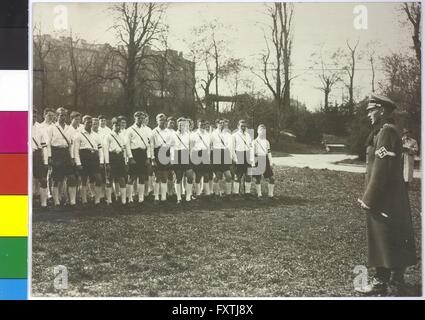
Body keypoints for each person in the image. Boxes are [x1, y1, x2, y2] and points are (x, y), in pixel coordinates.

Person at [356, 94, 417, 295]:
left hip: (384, 198)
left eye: (371, 110)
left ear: (381, 110)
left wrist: (369, 198)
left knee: (383, 236)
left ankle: (382, 282)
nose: (368, 115)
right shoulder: (384, 131)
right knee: (391, 236)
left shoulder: (386, 132)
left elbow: (381, 169)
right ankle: (396, 281)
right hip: (388, 196)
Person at [45, 107, 77, 207]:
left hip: (66, 153)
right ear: (57, 116)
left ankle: (72, 201)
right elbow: (48, 144)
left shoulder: (70, 128)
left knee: (71, 177)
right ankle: (56, 202)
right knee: (56, 178)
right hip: (56, 153)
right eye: (61, 115)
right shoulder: (51, 128)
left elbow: (71, 144)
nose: (63, 117)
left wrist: (72, 157)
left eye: (64, 115)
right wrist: (49, 157)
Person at [74, 115, 105, 206]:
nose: (90, 124)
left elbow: (100, 149)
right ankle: (84, 200)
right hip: (84, 157)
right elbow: (76, 151)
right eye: (88, 122)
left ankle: (97, 200)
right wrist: (78, 163)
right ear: (83, 123)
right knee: (83, 179)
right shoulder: (78, 135)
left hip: (94, 158)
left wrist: (101, 161)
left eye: (91, 122)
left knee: (98, 178)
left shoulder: (96, 135)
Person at [125, 111, 153, 205]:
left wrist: (148, 157)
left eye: (142, 118)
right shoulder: (130, 130)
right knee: (132, 177)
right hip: (134, 153)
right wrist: (130, 157)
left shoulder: (146, 130)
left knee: (142, 176)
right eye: (138, 118)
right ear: (135, 118)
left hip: (143, 154)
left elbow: (148, 145)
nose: (140, 120)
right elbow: (127, 145)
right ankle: (130, 198)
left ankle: (141, 198)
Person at [104, 117, 127, 205]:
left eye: (119, 125)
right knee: (110, 179)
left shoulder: (122, 135)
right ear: (112, 125)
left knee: (122, 179)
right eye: (116, 125)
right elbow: (106, 150)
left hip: (120, 158)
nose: (118, 127)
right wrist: (107, 163)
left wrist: (125, 160)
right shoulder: (108, 136)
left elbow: (124, 149)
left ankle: (123, 200)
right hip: (112, 157)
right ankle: (109, 200)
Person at [170, 117, 193, 204]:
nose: (181, 126)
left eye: (183, 124)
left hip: (186, 155)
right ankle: (179, 198)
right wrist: (172, 159)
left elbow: (191, 147)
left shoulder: (188, 135)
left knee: (190, 177)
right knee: (178, 178)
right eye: (180, 124)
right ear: (177, 125)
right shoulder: (173, 135)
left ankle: (188, 197)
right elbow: (171, 148)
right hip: (176, 156)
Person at [151, 113, 173, 203]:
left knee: (164, 176)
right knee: (157, 176)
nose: (162, 121)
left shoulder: (168, 132)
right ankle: (156, 196)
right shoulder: (153, 131)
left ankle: (164, 197)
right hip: (157, 152)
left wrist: (171, 158)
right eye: (160, 120)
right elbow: (151, 146)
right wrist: (152, 159)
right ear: (157, 121)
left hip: (166, 153)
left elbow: (171, 146)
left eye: (164, 120)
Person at [210, 118, 233, 198]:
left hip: (225, 154)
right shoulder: (213, 133)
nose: (221, 124)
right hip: (216, 154)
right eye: (220, 123)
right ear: (216, 124)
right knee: (217, 176)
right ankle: (216, 194)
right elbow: (210, 146)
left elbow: (229, 146)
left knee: (229, 176)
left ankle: (228, 194)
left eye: (223, 123)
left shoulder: (227, 134)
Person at [252, 124, 275, 199]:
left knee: (271, 178)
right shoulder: (254, 142)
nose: (262, 132)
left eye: (264, 130)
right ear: (258, 131)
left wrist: (271, 162)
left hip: (265, 160)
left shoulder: (267, 142)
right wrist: (253, 163)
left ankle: (270, 195)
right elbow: (252, 153)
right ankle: (259, 194)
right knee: (258, 178)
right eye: (261, 130)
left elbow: (269, 153)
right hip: (258, 159)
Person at [191, 118, 212, 198]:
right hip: (196, 154)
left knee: (206, 175)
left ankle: (207, 194)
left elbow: (209, 147)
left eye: (203, 124)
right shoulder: (194, 134)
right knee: (198, 175)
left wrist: (209, 157)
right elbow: (192, 147)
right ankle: (198, 193)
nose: (202, 126)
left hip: (205, 154)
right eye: (200, 124)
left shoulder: (207, 134)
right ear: (198, 125)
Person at [32, 108, 49, 209]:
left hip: (37, 156)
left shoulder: (40, 128)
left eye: (34, 116)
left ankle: (44, 204)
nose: (32, 118)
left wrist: (46, 161)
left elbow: (44, 147)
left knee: (43, 180)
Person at [232, 119, 253, 197]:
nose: (243, 127)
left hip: (247, 156)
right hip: (239, 155)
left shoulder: (248, 135)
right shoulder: (234, 135)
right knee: (238, 176)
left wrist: (251, 159)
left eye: (244, 126)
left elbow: (251, 148)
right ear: (238, 126)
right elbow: (232, 149)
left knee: (248, 175)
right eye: (241, 126)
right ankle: (236, 193)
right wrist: (235, 159)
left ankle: (247, 193)